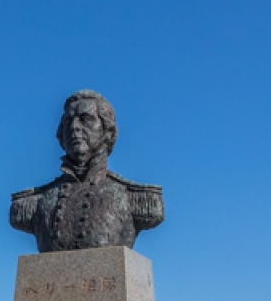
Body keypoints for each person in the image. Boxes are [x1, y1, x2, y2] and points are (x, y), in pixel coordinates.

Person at [9, 89, 165, 252]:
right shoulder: (33, 203)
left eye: (85, 119)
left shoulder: (137, 198)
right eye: (68, 121)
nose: (74, 127)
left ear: (108, 132)